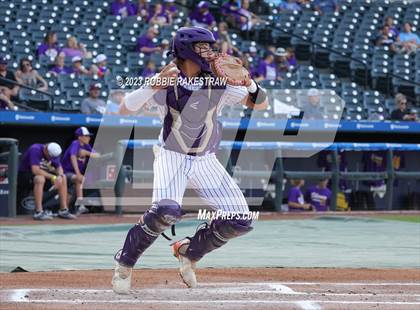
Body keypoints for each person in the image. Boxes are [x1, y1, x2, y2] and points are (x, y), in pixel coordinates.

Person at [112, 26, 268, 294]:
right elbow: (124, 108)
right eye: (202, 47)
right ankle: (124, 264)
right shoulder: (166, 80)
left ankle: (188, 252)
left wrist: (250, 83)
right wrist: (152, 85)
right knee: (166, 212)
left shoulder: (217, 80)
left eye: (209, 46)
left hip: (205, 160)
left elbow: (260, 104)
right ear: (185, 50)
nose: (209, 52)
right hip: (171, 156)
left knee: (241, 219)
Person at [18, 142, 76, 220]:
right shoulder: (35, 149)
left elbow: (59, 168)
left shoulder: (54, 152)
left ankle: (63, 210)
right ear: (45, 149)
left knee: (63, 178)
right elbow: (35, 170)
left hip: (43, 175)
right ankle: (38, 212)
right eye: (50, 156)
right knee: (40, 178)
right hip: (25, 176)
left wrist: (60, 176)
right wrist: (53, 177)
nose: (51, 159)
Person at [61, 127, 100, 214]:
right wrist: (78, 173)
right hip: (65, 173)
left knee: (72, 190)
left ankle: (66, 210)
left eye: (89, 136)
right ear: (80, 137)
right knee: (80, 179)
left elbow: (97, 155)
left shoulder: (86, 146)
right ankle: (81, 205)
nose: (89, 138)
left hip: (73, 175)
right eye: (86, 136)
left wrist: (86, 153)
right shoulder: (76, 143)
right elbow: (73, 157)